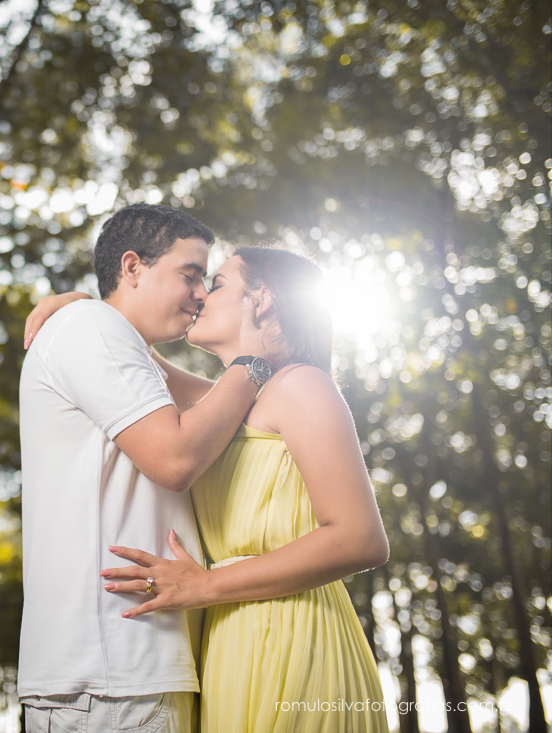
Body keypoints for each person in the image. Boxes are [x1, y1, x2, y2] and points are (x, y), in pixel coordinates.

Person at [28, 246, 390, 731]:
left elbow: (360, 539)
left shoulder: (303, 386)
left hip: (292, 633)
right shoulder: (231, 400)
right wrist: (89, 309)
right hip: (226, 641)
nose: (200, 297)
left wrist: (206, 584)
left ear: (260, 301)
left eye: (216, 284)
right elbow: (133, 356)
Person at [18, 204, 277, 732]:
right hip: (114, 675)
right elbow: (176, 458)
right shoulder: (92, 326)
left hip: (125, 676)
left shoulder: (108, 337)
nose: (202, 294)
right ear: (132, 267)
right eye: (191, 274)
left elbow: (244, 419)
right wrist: (253, 361)